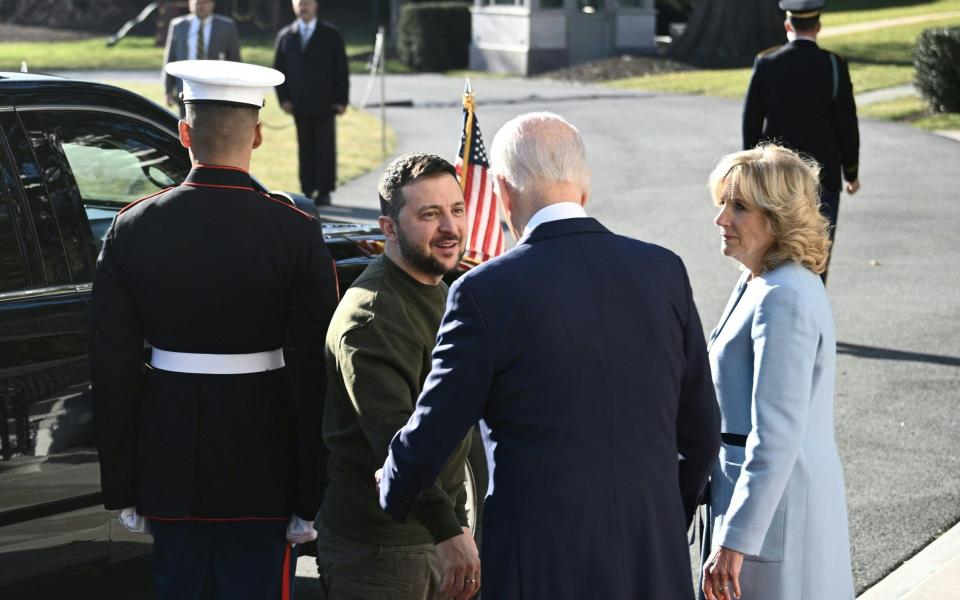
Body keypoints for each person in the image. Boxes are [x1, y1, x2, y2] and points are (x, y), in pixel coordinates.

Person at [378, 112, 721, 599]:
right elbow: (702, 435)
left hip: (539, 562)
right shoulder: (663, 270)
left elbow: (437, 424)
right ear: (583, 186)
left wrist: (394, 479)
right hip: (652, 555)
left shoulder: (486, 291)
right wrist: (662, 511)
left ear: (501, 191)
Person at [91, 60, 339, 599]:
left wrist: (124, 484)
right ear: (257, 135)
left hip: (168, 456)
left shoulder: (132, 227)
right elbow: (319, 371)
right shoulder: (295, 233)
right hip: (263, 463)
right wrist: (309, 491)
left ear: (184, 133)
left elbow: (111, 367)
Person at [317, 153, 480, 600]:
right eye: (429, 214)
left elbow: (453, 426)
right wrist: (450, 531)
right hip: (380, 554)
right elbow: (397, 445)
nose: (450, 227)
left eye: (457, 210)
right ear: (388, 227)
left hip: (432, 536)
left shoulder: (439, 290)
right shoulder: (373, 318)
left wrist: (457, 524)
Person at [701, 145, 855, 600]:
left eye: (740, 207)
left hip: (771, 514)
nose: (721, 219)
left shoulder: (780, 295)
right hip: (763, 505)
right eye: (723, 203)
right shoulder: (760, 279)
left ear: (779, 218)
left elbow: (777, 433)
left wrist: (735, 539)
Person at [742, 0, 860, 283]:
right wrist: (851, 172)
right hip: (824, 176)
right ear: (818, 27)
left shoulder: (766, 62)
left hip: (776, 176)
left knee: (776, 251)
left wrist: (750, 170)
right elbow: (847, 123)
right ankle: (813, 318)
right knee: (817, 253)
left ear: (787, 26)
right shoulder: (834, 65)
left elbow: (751, 122)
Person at [273, 0, 349, 207]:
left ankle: (324, 191)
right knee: (305, 149)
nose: (303, 6)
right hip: (299, 105)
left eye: (307, 3)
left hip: (326, 104)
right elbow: (278, 70)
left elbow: (341, 68)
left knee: (325, 149)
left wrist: (341, 100)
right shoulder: (286, 36)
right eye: (299, 3)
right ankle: (307, 189)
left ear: (315, 5)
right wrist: (284, 99)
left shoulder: (330, 34)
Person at [162, 0, 241, 116]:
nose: (201, 6)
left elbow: (235, 61)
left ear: (212, 4)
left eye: (205, 2)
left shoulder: (226, 26)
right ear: (190, 4)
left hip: (215, 92)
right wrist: (167, 90)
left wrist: (236, 90)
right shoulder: (178, 25)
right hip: (185, 90)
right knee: (185, 130)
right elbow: (170, 59)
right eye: (198, 2)